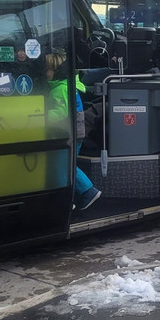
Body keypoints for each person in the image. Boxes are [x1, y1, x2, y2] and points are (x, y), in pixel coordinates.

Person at [46, 51, 101, 211]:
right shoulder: (66, 85)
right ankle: (71, 197)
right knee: (65, 164)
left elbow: (62, 111)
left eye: (47, 70)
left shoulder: (60, 89)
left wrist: (43, 116)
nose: (44, 74)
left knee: (65, 166)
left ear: (56, 71)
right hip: (74, 132)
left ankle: (87, 191)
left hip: (68, 133)